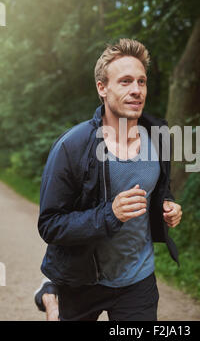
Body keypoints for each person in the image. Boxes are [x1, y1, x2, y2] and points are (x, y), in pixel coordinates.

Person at [37, 38, 182, 321]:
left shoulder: (158, 136)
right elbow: (50, 225)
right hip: (81, 280)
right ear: (102, 88)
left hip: (138, 280)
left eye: (141, 82)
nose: (136, 90)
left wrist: (168, 204)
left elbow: (159, 188)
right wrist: (110, 214)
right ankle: (50, 297)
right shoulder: (72, 146)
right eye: (125, 81)